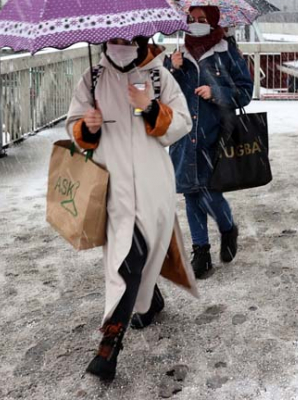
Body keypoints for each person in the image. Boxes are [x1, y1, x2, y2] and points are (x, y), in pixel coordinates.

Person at [66, 35, 196, 382]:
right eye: (116, 37)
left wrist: (150, 106)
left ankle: (148, 299)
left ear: (139, 36)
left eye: (128, 37)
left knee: (140, 253)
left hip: (153, 186)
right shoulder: (92, 79)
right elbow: (74, 127)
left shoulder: (158, 77)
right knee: (129, 256)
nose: (122, 42)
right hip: (114, 189)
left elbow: (183, 122)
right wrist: (86, 128)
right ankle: (111, 343)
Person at [167, 6, 254, 279]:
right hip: (184, 136)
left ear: (213, 22)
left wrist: (215, 92)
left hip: (215, 136)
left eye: (202, 20)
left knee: (207, 193)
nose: (196, 24)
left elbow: (245, 92)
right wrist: (173, 69)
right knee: (191, 193)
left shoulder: (226, 52)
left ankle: (227, 228)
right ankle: (201, 251)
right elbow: (166, 94)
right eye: (191, 20)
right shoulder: (178, 54)